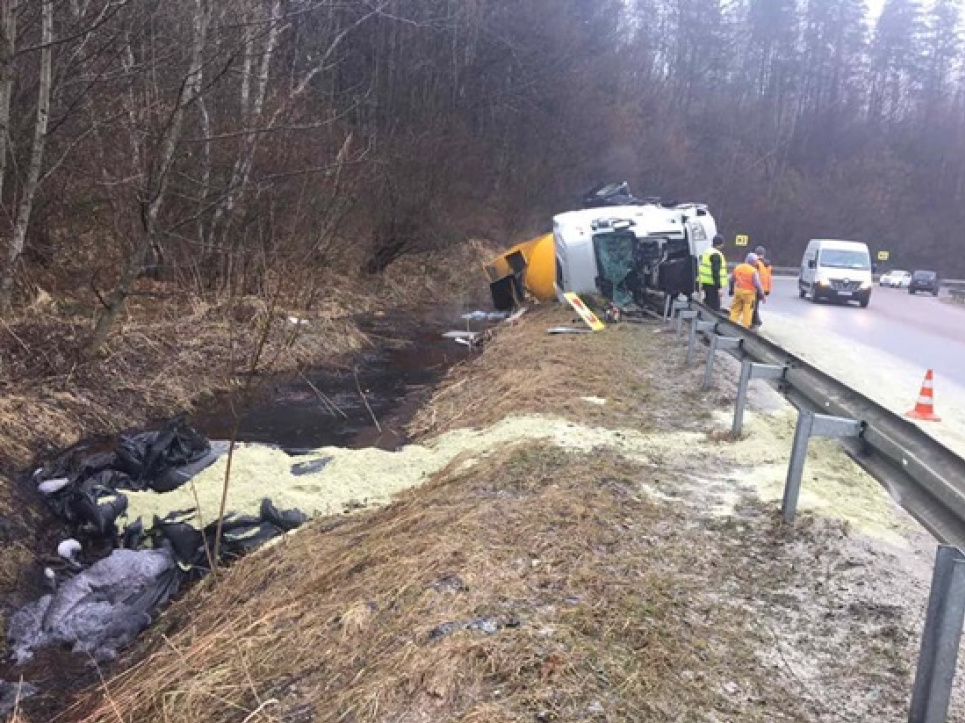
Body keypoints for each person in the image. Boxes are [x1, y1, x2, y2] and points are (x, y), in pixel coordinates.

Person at [729, 252, 765, 328]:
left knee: (735, 309)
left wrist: (731, 290)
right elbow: (757, 284)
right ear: (751, 261)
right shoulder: (753, 271)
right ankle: (745, 328)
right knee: (748, 311)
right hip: (749, 294)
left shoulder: (738, 267)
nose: (756, 262)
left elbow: (731, 280)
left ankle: (731, 325)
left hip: (738, 291)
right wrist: (762, 295)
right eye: (755, 261)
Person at [698, 235, 727, 311]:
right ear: (720, 244)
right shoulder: (716, 255)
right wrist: (719, 287)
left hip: (705, 282)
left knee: (708, 303)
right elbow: (715, 272)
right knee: (714, 307)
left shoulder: (707, 252)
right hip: (712, 284)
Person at [751, 245, 772, 329]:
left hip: (756, 288)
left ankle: (756, 322)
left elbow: (753, 276)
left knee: (753, 306)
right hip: (764, 289)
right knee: (755, 305)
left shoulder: (756, 264)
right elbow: (769, 278)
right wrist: (767, 290)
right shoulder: (767, 265)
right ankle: (756, 321)